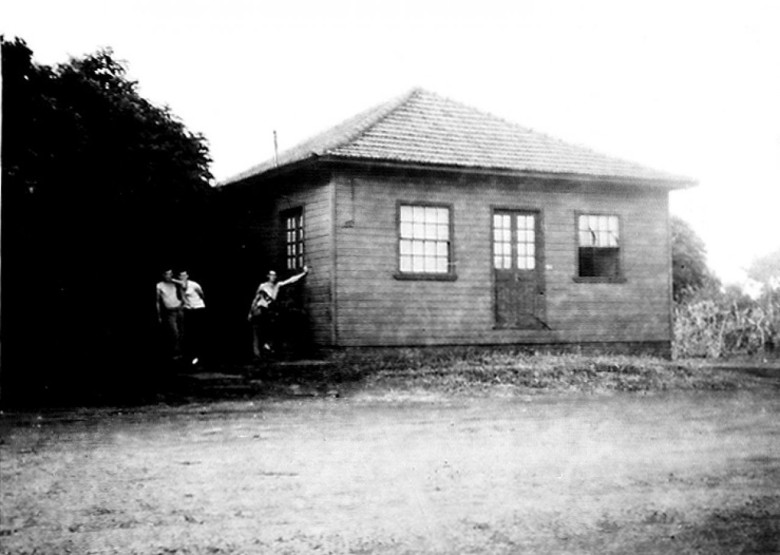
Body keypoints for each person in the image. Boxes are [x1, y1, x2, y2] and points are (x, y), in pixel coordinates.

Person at [249, 266, 309, 358]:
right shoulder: (263, 286)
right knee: (261, 330)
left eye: (275, 275)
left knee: (273, 328)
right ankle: (259, 351)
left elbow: (291, 280)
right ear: (268, 276)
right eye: (272, 275)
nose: (274, 277)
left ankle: (267, 347)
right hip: (261, 310)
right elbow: (255, 299)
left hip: (270, 310)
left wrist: (303, 274)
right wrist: (250, 312)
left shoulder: (278, 285)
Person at [176, 270, 207, 366]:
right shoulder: (180, 286)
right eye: (181, 276)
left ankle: (201, 355)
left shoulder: (194, 285)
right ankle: (189, 356)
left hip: (198, 308)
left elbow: (202, 294)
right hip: (189, 309)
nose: (183, 277)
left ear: (187, 276)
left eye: (184, 275)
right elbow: (182, 297)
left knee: (198, 331)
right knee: (189, 332)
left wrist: (195, 302)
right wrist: (186, 305)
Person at [156, 268, 183, 360]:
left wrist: (183, 304)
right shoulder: (159, 285)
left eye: (171, 273)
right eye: (168, 274)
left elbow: (184, 286)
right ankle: (175, 353)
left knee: (182, 332)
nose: (170, 275)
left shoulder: (174, 283)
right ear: (163, 275)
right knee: (174, 333)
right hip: (170, 311)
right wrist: (159, 315)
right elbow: (157, 301)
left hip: (179, 308)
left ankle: (182, 353)